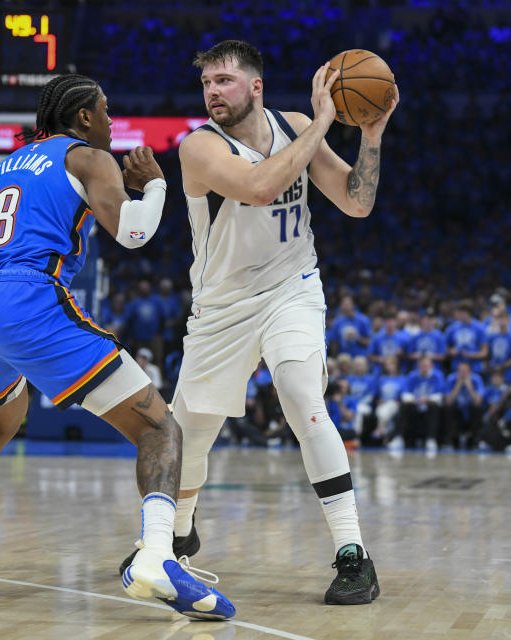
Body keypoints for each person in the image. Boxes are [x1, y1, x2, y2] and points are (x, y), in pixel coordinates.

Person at [0, 74, 234, 620]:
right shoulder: (87, 158)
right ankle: (156, 556)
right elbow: (134, 235)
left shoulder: (3, 170)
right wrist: (156, 186)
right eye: (105, 111)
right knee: (160, 427)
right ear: (82, 118)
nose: (109, 121)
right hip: (27, 300)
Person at [129, 40, 396, 605]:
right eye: (206, 84)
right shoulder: (198, 146)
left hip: (291, 289)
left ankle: (353, 554)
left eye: (224, 81)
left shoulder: (295, 124)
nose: (212, 93)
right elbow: (260, 186)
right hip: (222, 307)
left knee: (304, 397)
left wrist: (369, 135)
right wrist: (323, 123)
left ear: (255, 87)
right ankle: (178, 535)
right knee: (188, 434)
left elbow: (356, 202)